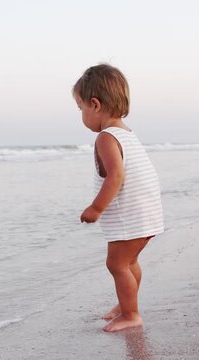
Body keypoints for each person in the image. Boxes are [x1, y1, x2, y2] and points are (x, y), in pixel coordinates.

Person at [72, 64, 165, 332]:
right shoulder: (127, 134)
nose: (81, 115)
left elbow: (116, 176)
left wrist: (96, 208)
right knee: (129, 262)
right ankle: (126, 305)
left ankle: (131, 313)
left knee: (117, 263)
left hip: (131, 218)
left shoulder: (105, 138)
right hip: (146, 214)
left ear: (95, 104)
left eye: (81, 109)